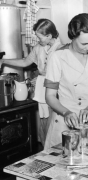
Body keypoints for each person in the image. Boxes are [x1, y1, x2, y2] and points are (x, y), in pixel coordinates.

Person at [44, 13, 88, 149]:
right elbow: (50, 96)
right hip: (64, 122)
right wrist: (66, 113)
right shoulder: (57, 57)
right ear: (73, 37)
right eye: (84, 43)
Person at [0, 18, 62, 147]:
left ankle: (55, 153)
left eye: (40, 37)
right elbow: (25, 62)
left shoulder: (62, 49)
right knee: (44, 124)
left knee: (54, 124)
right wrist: (4, 61)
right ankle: (46, 153)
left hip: (56, 90)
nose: (38, 40)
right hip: (42, 88)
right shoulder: (39, 47)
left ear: (49, 35)